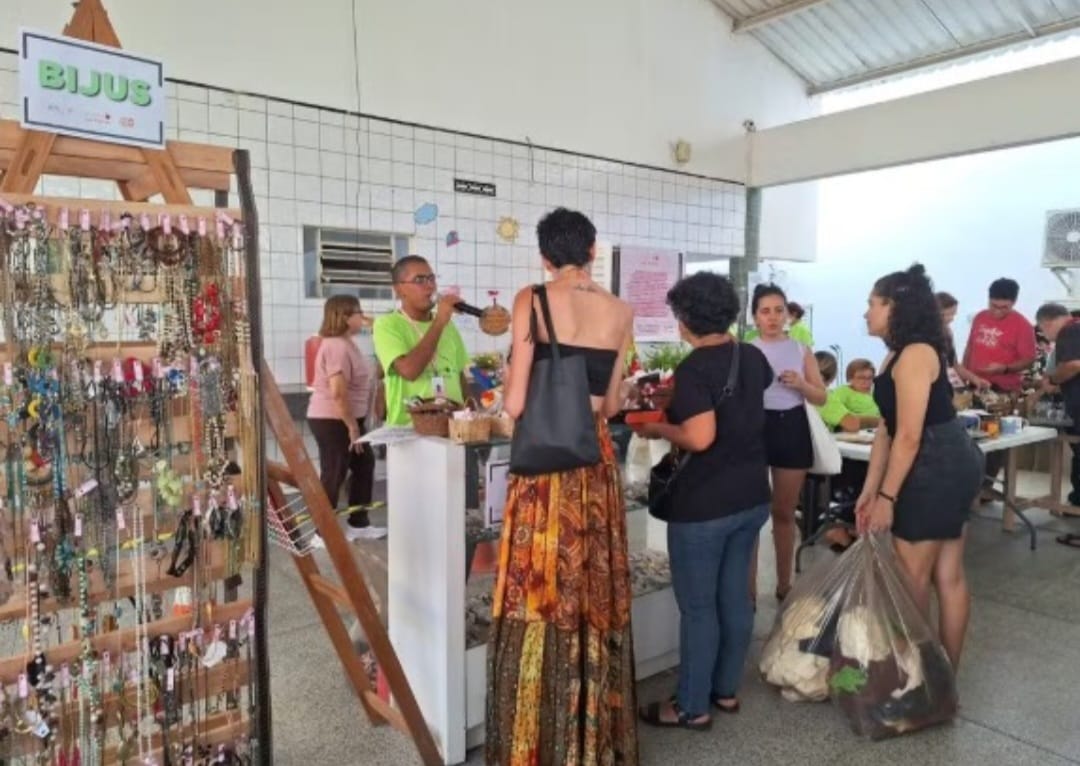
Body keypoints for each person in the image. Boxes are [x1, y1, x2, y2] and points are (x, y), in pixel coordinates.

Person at [486, 208, 637, 765]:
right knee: (591, 588)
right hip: (594, 461)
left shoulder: (534, 298)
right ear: (594, 250)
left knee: (541, 590)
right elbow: (616, 404)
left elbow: (518, 402)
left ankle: (539, 736)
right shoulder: (621, 311)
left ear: (544, 257)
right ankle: (592, 735)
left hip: (547, 469)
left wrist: (504, 411)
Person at [633, 273, 772, 732]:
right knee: (734, 596)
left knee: (698, 608)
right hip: (751, 495)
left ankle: (691, 707)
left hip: (704, 506)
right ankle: (725, 690)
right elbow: (734, 407)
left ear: (686, 319)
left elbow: (700, 435)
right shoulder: (751, 356)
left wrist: (658, 428)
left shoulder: (695, 368)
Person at [857, 264, 984, 669]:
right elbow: (886, 428)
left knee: (917, 575)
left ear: (894, 307)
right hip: (941, 458)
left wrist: (888, 497)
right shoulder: (895, 354)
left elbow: (909, 435)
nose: (866, 312)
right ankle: (939, 677)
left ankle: (923, 676)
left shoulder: (914, 355)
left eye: (872, 304)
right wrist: (869, 489)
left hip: (934, 465)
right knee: (945, 572)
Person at [749, 285, 828, 602]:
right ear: (755, 316)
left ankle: (784, 583)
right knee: (751, 513)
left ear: (787, 314)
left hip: (792, 426)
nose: (772, 317)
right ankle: (749, 589)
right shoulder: (747, 350)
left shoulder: (800, 350)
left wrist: (802, 384)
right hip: (755, 428)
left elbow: (821, 397)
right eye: (765, 311)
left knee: (783, 511)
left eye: (778, 310)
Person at [306, 295, 386, 540]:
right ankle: (322, 534)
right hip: (333, 420)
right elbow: (339, 393)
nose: (362, 317)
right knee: (334, 472)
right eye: (358, 313)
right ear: (344, 317)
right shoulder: (336, 346)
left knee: (364, 466)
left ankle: (358, 524)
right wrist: (352, 427)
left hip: (350, 419)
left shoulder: (347, 343)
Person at [373, 256, 470, 426]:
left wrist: (470, 412)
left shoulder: (448, 326)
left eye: (431, 278)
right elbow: (409, 371)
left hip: (451, 427)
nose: (430, 285)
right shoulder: (387, 325)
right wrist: (439, 322)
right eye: (419, 280)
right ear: (399, 289)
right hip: (409, 430)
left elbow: (459, 375)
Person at [962, 278, 1036, 496]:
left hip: (1002, 390)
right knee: (968, 435)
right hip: (975, 384)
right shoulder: (980, 317)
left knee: (994, 440)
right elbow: (970, 347)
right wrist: (966, 374)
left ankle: (985, 488)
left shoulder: (1022, 325)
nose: (997, 311)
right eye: (993, 305)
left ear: (1013, 303)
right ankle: (967, 486)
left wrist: (1003, 368)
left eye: (1004, 307)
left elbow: (1029, 359)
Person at [1035, 304, 1080, 529]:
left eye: (1043, 331)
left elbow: (1072, 365)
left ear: (1047, 323)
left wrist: (1053, 380)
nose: (1046, 336)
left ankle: (1076, 504)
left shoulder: (1069, 332)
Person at [935, 292, 989, 390]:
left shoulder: (948, 332)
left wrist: (975, 379)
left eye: (953, 314)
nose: (951, 319)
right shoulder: (924, 337)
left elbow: (954, 365)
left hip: (948, 385)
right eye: (945, 315)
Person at [817, 355, 882, 433]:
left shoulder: (877, 394)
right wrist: (883, 422)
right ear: (850, 378)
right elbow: (851, 423)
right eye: (861, 378)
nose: (866, 382)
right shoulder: (840, 393)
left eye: (870, 378)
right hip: (850, 435)